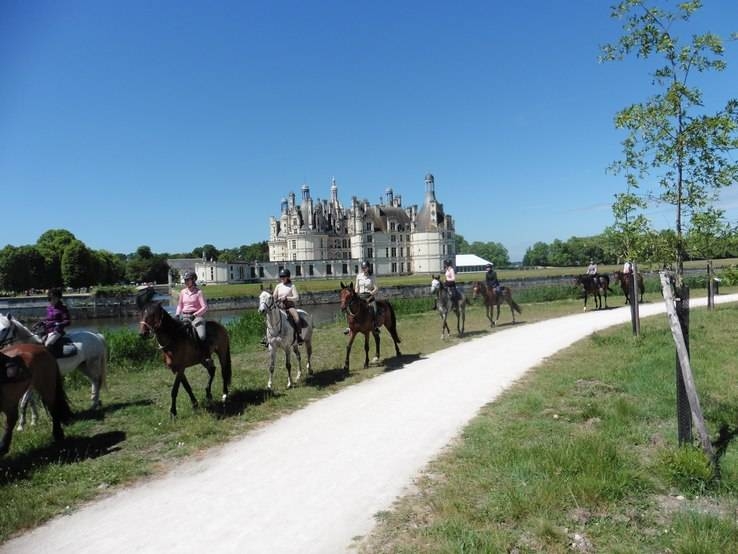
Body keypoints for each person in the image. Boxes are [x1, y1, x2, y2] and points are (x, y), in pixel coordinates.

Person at [175, 271, 209, 350]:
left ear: (193, 280)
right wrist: (177, 315)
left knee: (202, 335)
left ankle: (206, 355)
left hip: (196, 317)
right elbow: (180, 305)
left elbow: (205, 307)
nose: (185, 282)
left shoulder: (199, 292)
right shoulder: (182, 292)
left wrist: (195, 315)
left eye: (188, 280)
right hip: (184, 316)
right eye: (185, 280)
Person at [273, 268, 304, 344]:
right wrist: (274, 299)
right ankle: (267, 337)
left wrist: (287, 298)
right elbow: (274, 296)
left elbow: (296, 297)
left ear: (288, 277)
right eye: (281, 277)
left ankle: (299, 336)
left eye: (284, 277)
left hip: (289, 306)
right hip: (279, 306)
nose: (282, 278)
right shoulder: (278, 286)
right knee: (269, 318)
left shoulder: (292, 286)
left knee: (296, 318)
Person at [41, 288, 71, 357]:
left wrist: (58, 324)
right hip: (47, 330)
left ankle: (53, 361)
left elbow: (67, 321)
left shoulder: (63, 308)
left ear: (58, 298)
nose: (52, 300)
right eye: (50, 298)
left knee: (48, 344)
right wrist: (42, 322)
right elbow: (48, 319)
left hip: (57, 331)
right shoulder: (49, 308)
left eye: (54, 298)